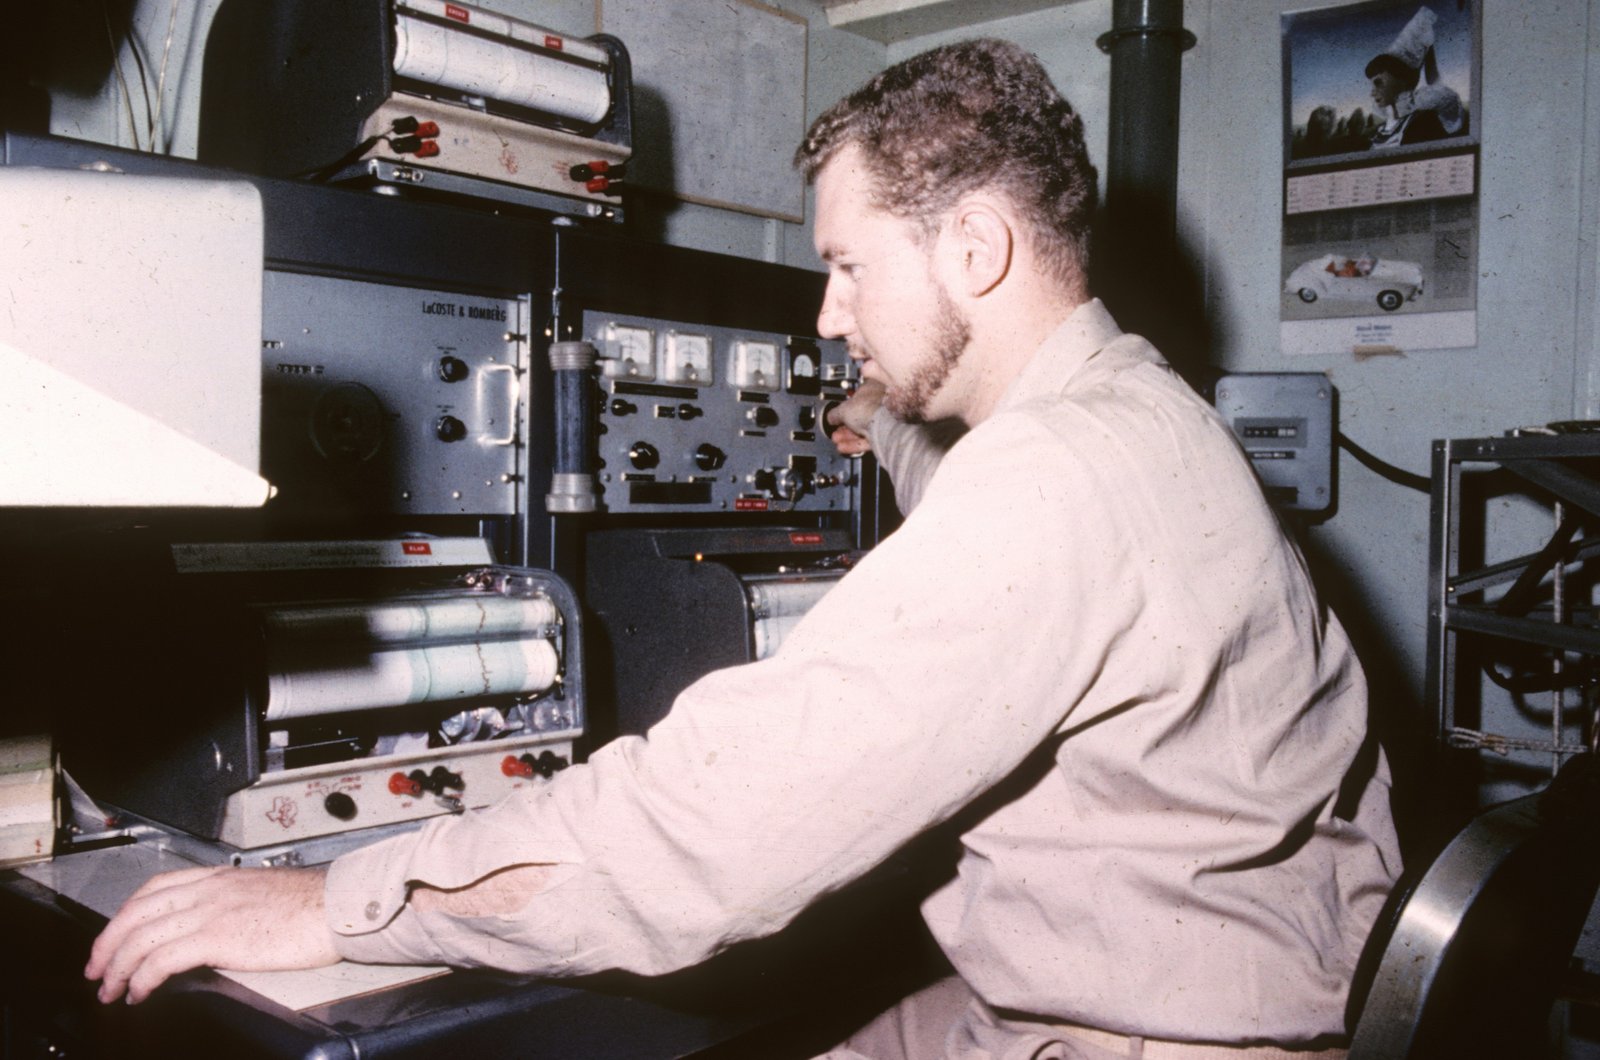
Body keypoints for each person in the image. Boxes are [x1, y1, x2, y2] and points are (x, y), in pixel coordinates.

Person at [87, 39, 1400, 1058]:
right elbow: (1006, 514)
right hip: (1199, 993)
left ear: (979, 248)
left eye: (846, 268)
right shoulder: (1134, 412)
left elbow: (712, 833)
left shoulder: (1053, 479)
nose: (827, 314)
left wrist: (332, 904)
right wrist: (886, 421)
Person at [1365, 6, 1466, 148]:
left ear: (1402, 80)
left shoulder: (1420, 122)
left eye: (1379, 82)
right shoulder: (1384, 127)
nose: (1372, 92)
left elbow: (1442, 96)